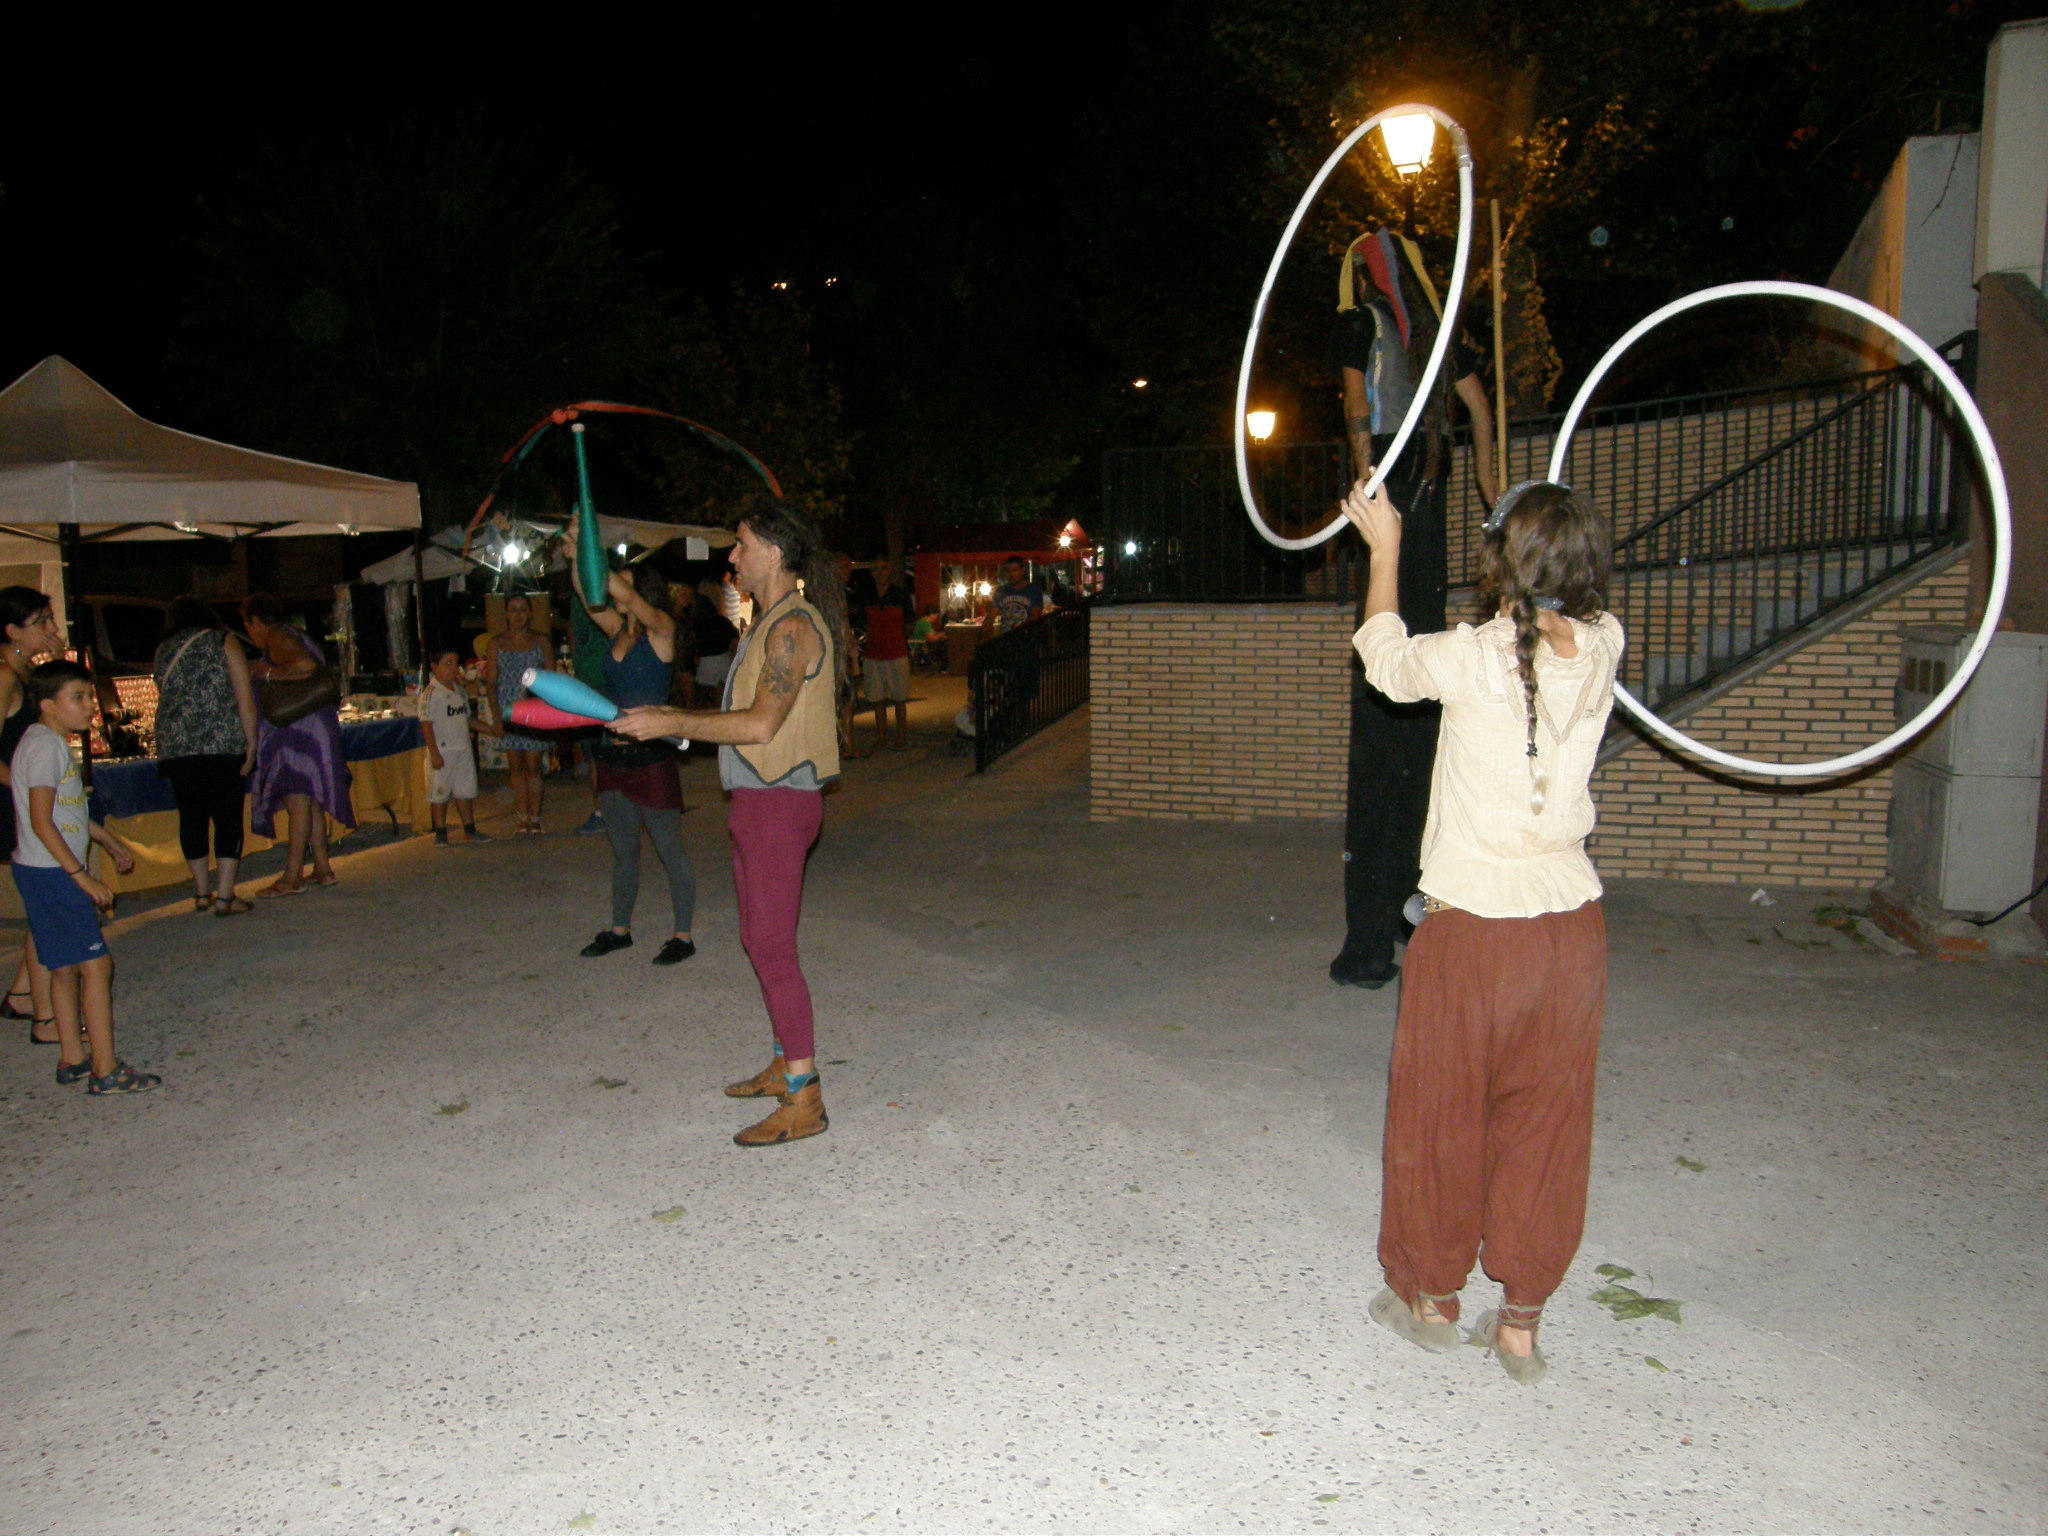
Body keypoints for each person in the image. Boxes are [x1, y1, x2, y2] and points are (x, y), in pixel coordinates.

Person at [1343, 477, 1620, 1386]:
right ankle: (1522, 1326)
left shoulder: (1471, 657)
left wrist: (1385, 549)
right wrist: (1524, 526)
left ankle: (1431, 1302)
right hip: (1569, 938)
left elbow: (1384, 658)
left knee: (1443, 1114)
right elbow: (1553, 613)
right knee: (1546, 1124)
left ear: (1500, 563)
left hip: (1475, 938)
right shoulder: (1607, 645)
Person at [611, 495, 845, 1147]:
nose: (733, 555)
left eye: (742, 543)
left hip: (779, 803)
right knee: (756, 938)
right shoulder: (766, 621)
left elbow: (761, 725)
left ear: (774, 550)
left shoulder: (792, 628)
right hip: (756, 800)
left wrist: (670, 720)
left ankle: (805, 1096)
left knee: (772, 947)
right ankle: (784, 1059)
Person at [1326, 228, 1500, 990]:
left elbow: (1355, 403)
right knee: (1418, 715)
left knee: (1387, 710)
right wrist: (1494, 495)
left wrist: (1367, 480)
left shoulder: (1365, 325)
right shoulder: (1437, 335)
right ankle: (1401, 918)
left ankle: (1372, 939)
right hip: (1424, 499)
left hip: (1399, 498)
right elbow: (1479, 413)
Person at [11, 659, 155, 1094]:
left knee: (63, 968)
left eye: (89, 696)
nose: (90, 705)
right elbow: (41, 821)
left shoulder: (44, 741)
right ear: (47, 704)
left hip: (38, 870)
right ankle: (105, 1070)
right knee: (97, 966)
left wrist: (107, 840)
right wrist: (81, 876)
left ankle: (73, 1057)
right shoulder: (46, 748)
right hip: (54, 872)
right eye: (78, 697)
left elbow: (65, 813)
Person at [567, 524, 696, 967]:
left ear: (644, 591)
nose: (616, 593)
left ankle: (682, 935)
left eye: (626, 585)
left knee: (670, 850)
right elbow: (585, 591)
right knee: (623, 852)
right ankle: (620, 930)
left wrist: (592, 551)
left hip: (651, 757)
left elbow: (620, 592)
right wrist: (576, 556)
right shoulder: (618, 630)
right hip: (613, 755)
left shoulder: (662, 628)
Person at [153, 599, 260, 915]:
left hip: (176, 745)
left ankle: (201, 892)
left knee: (192, 816)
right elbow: (244, 696)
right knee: (227, 817)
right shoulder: (224, 641)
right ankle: (225, 896)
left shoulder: (163, 649)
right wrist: (251, 741)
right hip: (221, 741)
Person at [243, 594, 354, 897]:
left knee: (297, 800)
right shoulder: (296, 634)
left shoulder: (278, 638)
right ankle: (322, 867)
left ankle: (292, 876)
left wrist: (267, 673)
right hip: (314, 724)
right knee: (310, 799)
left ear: (255, 622)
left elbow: (304, 665)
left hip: (298, 729)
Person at [0, 588, 65, 1040]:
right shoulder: (4, 676)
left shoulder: (24, 674)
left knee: (45, 897)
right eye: (41, 621)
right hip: (13, 799)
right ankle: (42, 1013)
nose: (52, 629)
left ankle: (25, 995)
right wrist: (27, 792)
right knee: (48, 896)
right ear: (12, 631)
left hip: (22, 798)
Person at [485, 594, 551, 835]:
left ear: (530, 613)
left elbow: (551, 679)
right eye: (513, 609)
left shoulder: (541, 641)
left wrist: (549, 714)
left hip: (534, 711)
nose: (518, 615)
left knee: (534, 766)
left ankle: (535, 816)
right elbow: (491, 683)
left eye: (523, 609)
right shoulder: (496, 643)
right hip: (509, 711)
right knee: (516, 767)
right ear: (506, 614)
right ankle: (522, 817)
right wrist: (496, 718)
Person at [420, 645, 492, 846]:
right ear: (434, 667)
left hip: (462, 749)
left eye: (455, 663)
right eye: (447, 663)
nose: (453, 668)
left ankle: (469, 829)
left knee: (465, 792)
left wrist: (491, 730)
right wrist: (434, 753)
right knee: (439, 794)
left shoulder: (459, 690)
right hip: (443, 751)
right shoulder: (431, 694)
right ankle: (441, 832)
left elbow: (467, 719)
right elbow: (426, 725)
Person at [856, 559, 914, 754]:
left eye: (883, 568)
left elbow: (909, 622)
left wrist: (898, 639)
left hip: (896, 653)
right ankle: (882, 737)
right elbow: (863, 623)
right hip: (873, 654)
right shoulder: (866, 596)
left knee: (900, 698)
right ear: (871, 572)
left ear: (889, 571)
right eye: (875, 569)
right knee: (877, 699)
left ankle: (901, 737)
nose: (879, 572)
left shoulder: (900, 595)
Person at [693, 578, 739, 699]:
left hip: (705, 663)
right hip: (724, 661)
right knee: (721, 697)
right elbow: (735, 640)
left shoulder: (696, 624)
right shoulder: (722, 621)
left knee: (704, 697)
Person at [989, 558, 1048, 634]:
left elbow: (1035, 616)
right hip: (1006, 638)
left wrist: (1019, 628)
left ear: (1023, 571)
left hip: (1026, 637)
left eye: (1014, 570)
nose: (1011, 575)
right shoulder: (1001, 591)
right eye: (1008, 571)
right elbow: (990, 616)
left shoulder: (1033, 591)